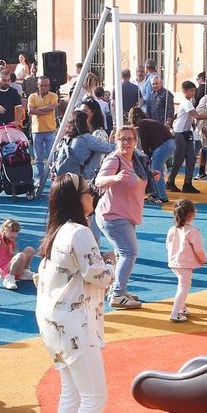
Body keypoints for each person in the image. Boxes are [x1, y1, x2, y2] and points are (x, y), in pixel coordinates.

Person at [36, 175, 115, 413]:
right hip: (74, 325)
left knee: (73, 393)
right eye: (89, 191)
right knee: (94, 396)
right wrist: (111, 266)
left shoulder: (56, 233)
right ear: (76, 199)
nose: (93, 195)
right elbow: (97, 276)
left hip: (55, 323)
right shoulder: (80, 233)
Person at [94, 124, 147, 310]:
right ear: (115, 140)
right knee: (129, 252)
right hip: (113, 215)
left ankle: (118, 289)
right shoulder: (114, 159)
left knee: (121, 253)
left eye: (130, 139)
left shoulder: (136, 159)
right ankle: (117, 294)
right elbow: (98, 181)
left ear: (135, 141)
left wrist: (152, 177)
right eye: (122, 139)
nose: (126, 142)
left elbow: (138, 179)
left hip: (127, 213)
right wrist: (114, 179)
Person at [166, 199, 207, 323]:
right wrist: (204, 259)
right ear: (191, 214)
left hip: (174, 262)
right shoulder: (192, 231)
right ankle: (175, 312)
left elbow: (168, 244)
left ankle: (181, 307)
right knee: (184, 287)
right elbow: (198, 249)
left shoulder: (173, 229)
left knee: (182, 285)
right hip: (185, 263)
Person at [168, 80, 201, 194]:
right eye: (191, 90)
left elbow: (189, 116)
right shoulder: (186, 102)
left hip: (187, 132)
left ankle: (187, 183)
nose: (193, 93)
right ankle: (170, 181)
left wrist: (191, 123)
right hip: (180, 133)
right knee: (178, 159)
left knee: (191, 158)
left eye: (194, 90)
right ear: (184, 91)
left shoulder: (190, 101)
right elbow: (196, 115)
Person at [27, 76, 59, 191]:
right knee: (38, 157)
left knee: (53, 156)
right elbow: (30, 111)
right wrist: (45, 110)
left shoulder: (53, 96)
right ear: (38, 86)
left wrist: (38, 110)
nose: (44, 87)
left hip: (50, 129)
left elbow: (52, 108)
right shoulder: (32, 97)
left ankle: (54, 176)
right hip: (37, 130)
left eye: (46, 85)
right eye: (42, 85)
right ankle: (39, 176)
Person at [0, 218, 33, 291]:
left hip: (11, 266)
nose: (15, 234)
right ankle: (9, 278)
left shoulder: (12, 240)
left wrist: (14, 255)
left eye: (16, 232)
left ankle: (24, 272)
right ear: (4, 230)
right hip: (4, 270)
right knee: (21, 255)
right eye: (12, 231)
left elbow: (16, 254)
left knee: (30, 250)